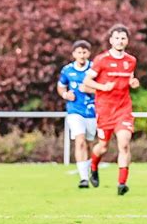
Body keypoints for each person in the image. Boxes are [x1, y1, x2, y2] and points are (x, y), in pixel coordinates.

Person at [83, 23, 140, 195]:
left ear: (127, 41)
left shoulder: (131, 61)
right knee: (103, 146)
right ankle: (94, 166)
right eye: (117, 38)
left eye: (123, 38)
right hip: (105, 109)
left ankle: (121, 184)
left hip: (123, 108)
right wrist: (102, 87)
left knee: (124, 144)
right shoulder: (102, 60)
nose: (120, 41)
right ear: (111, 40)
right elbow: (87, 82)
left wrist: (133, 82)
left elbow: (130, 78)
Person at [57, 40, 96, 188]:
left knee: (90, 144)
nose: (82, 55)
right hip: (74, 111)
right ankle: (83, 178)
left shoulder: (94, 69)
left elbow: (104, 89)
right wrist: (66, 95)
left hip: (92, 112)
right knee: (79, 140)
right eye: (79, 52)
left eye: (84, 52)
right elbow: (61, 87)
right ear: (74, 54)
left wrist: (90, 90)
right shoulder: (67, 70)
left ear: (89, 53)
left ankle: (93, 168)